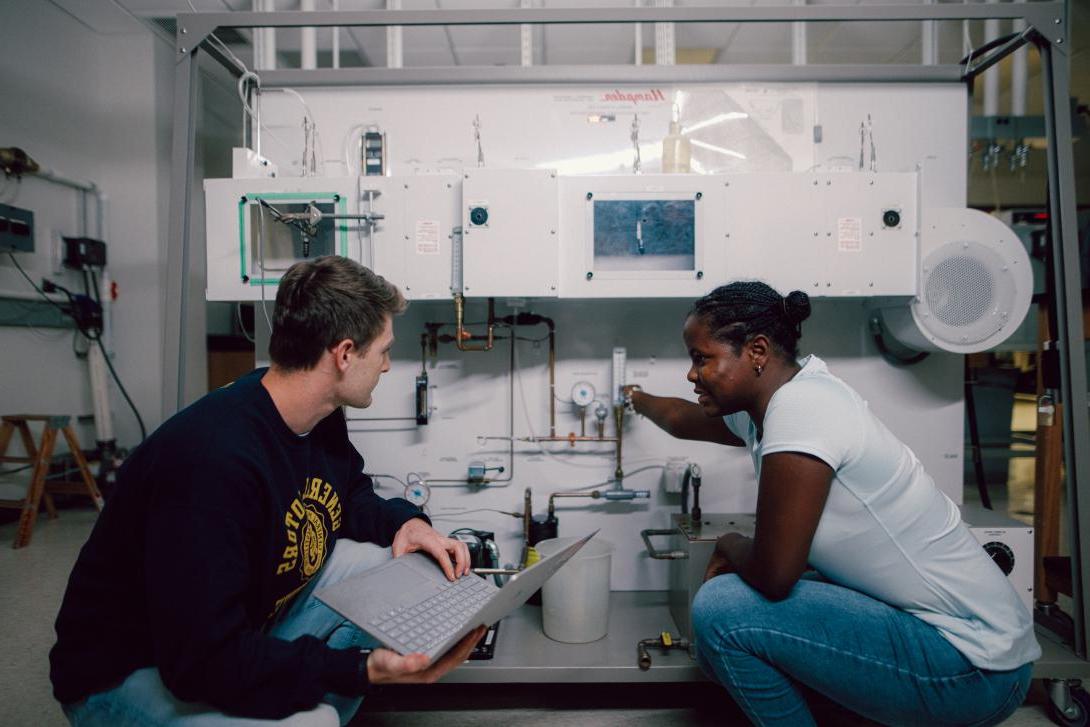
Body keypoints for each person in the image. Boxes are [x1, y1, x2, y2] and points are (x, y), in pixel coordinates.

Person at [50, 256, 485, 726]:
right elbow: (200, 662)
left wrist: (409, 523)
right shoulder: (211, 462)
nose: (385, 365)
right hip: (127, 674)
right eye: (382, 350)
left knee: (389, 561)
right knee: (309, 721)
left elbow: (349, 495)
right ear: (343, 354)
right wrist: (359, 670)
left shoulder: (313, 412)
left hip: (230, 628)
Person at [625, 281, 1040, 726]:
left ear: (757, 351)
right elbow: (678, 417)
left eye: (701, 358)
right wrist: (634, 398)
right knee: (721, 642)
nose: (691, 374)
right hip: (962, 650)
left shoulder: (802, 409)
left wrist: (728, 542)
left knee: (721, 609)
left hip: (972, 666)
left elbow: (773, 576)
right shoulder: (780, 402)